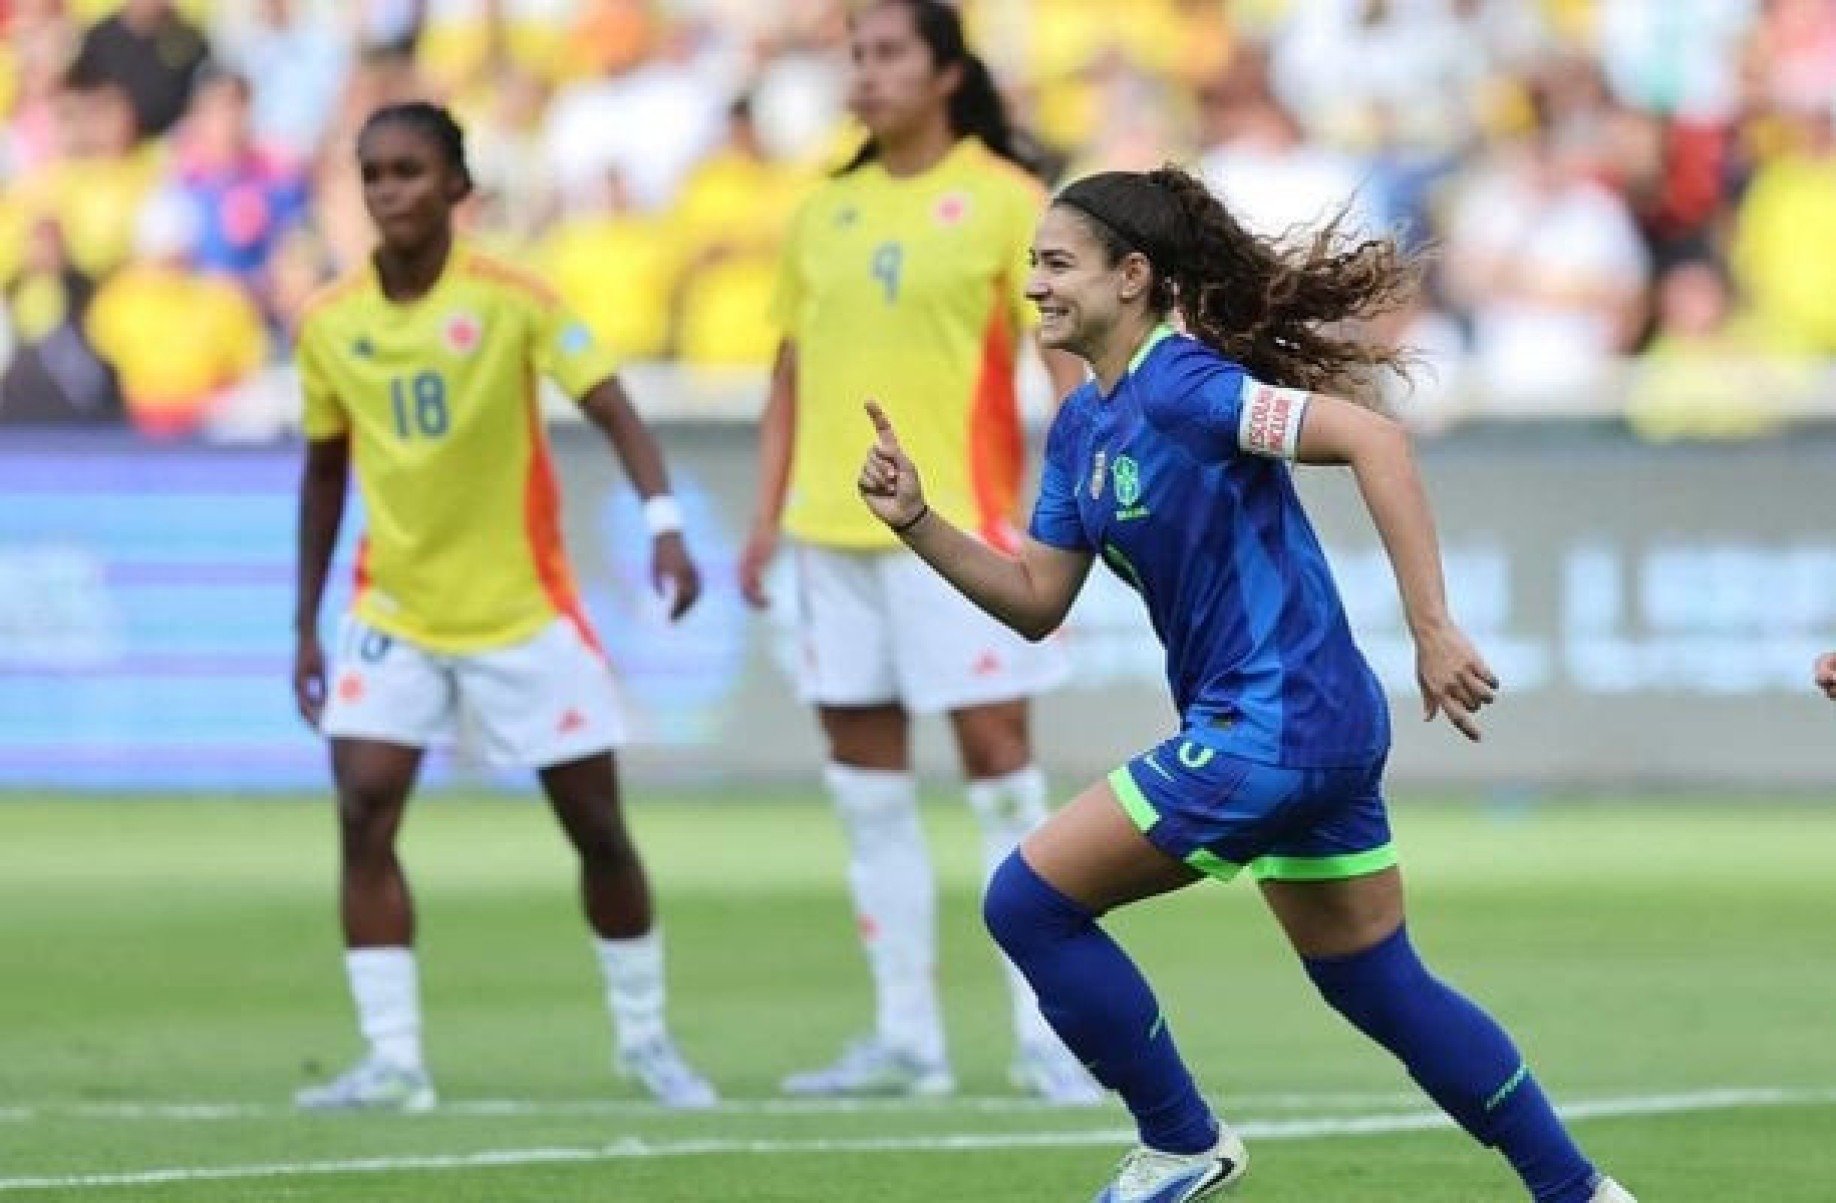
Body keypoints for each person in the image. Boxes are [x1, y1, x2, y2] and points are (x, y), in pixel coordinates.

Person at [855, 165, 1637, 1203]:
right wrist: (917, 521)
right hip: (1314, 724)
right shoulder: (1085, 429)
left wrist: (1434, 627)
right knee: (1375, 980)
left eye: (1056, 263)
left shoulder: (1187, 388)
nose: (1034, 285)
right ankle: (1579, 1193)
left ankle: (1181, 1140)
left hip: (1275, 724)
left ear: (1133, 276)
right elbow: (1038, 596)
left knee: (1028, 903)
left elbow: (1371, 436)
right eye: (1031, 265)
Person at [290, 102, 715, 1112]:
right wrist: (303, 621)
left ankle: (646, 1040)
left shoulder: (516, 299)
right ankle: (393, 1061)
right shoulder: (329, 321)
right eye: (374, 174)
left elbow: (611, 403)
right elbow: (321, 477)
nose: (389, 191)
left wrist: (662, 519)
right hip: (392, 613)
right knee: (362, 813)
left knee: (597, 833)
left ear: (455, 189)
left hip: (525, 614)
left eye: (410, 171)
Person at [739, 0, 1096, 1103]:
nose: (867, 71)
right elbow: (791, 375)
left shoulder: (1004, 200)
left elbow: (1065, 361)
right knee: (866, 798)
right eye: (857, 53)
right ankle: (907, 1040)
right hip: (827, 540)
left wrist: (1072, 501)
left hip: (960, 535)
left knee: (1002, 783)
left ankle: (1050, 1038)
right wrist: (763, 521)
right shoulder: (822, 210)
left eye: (889, 52)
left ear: (947, 73)